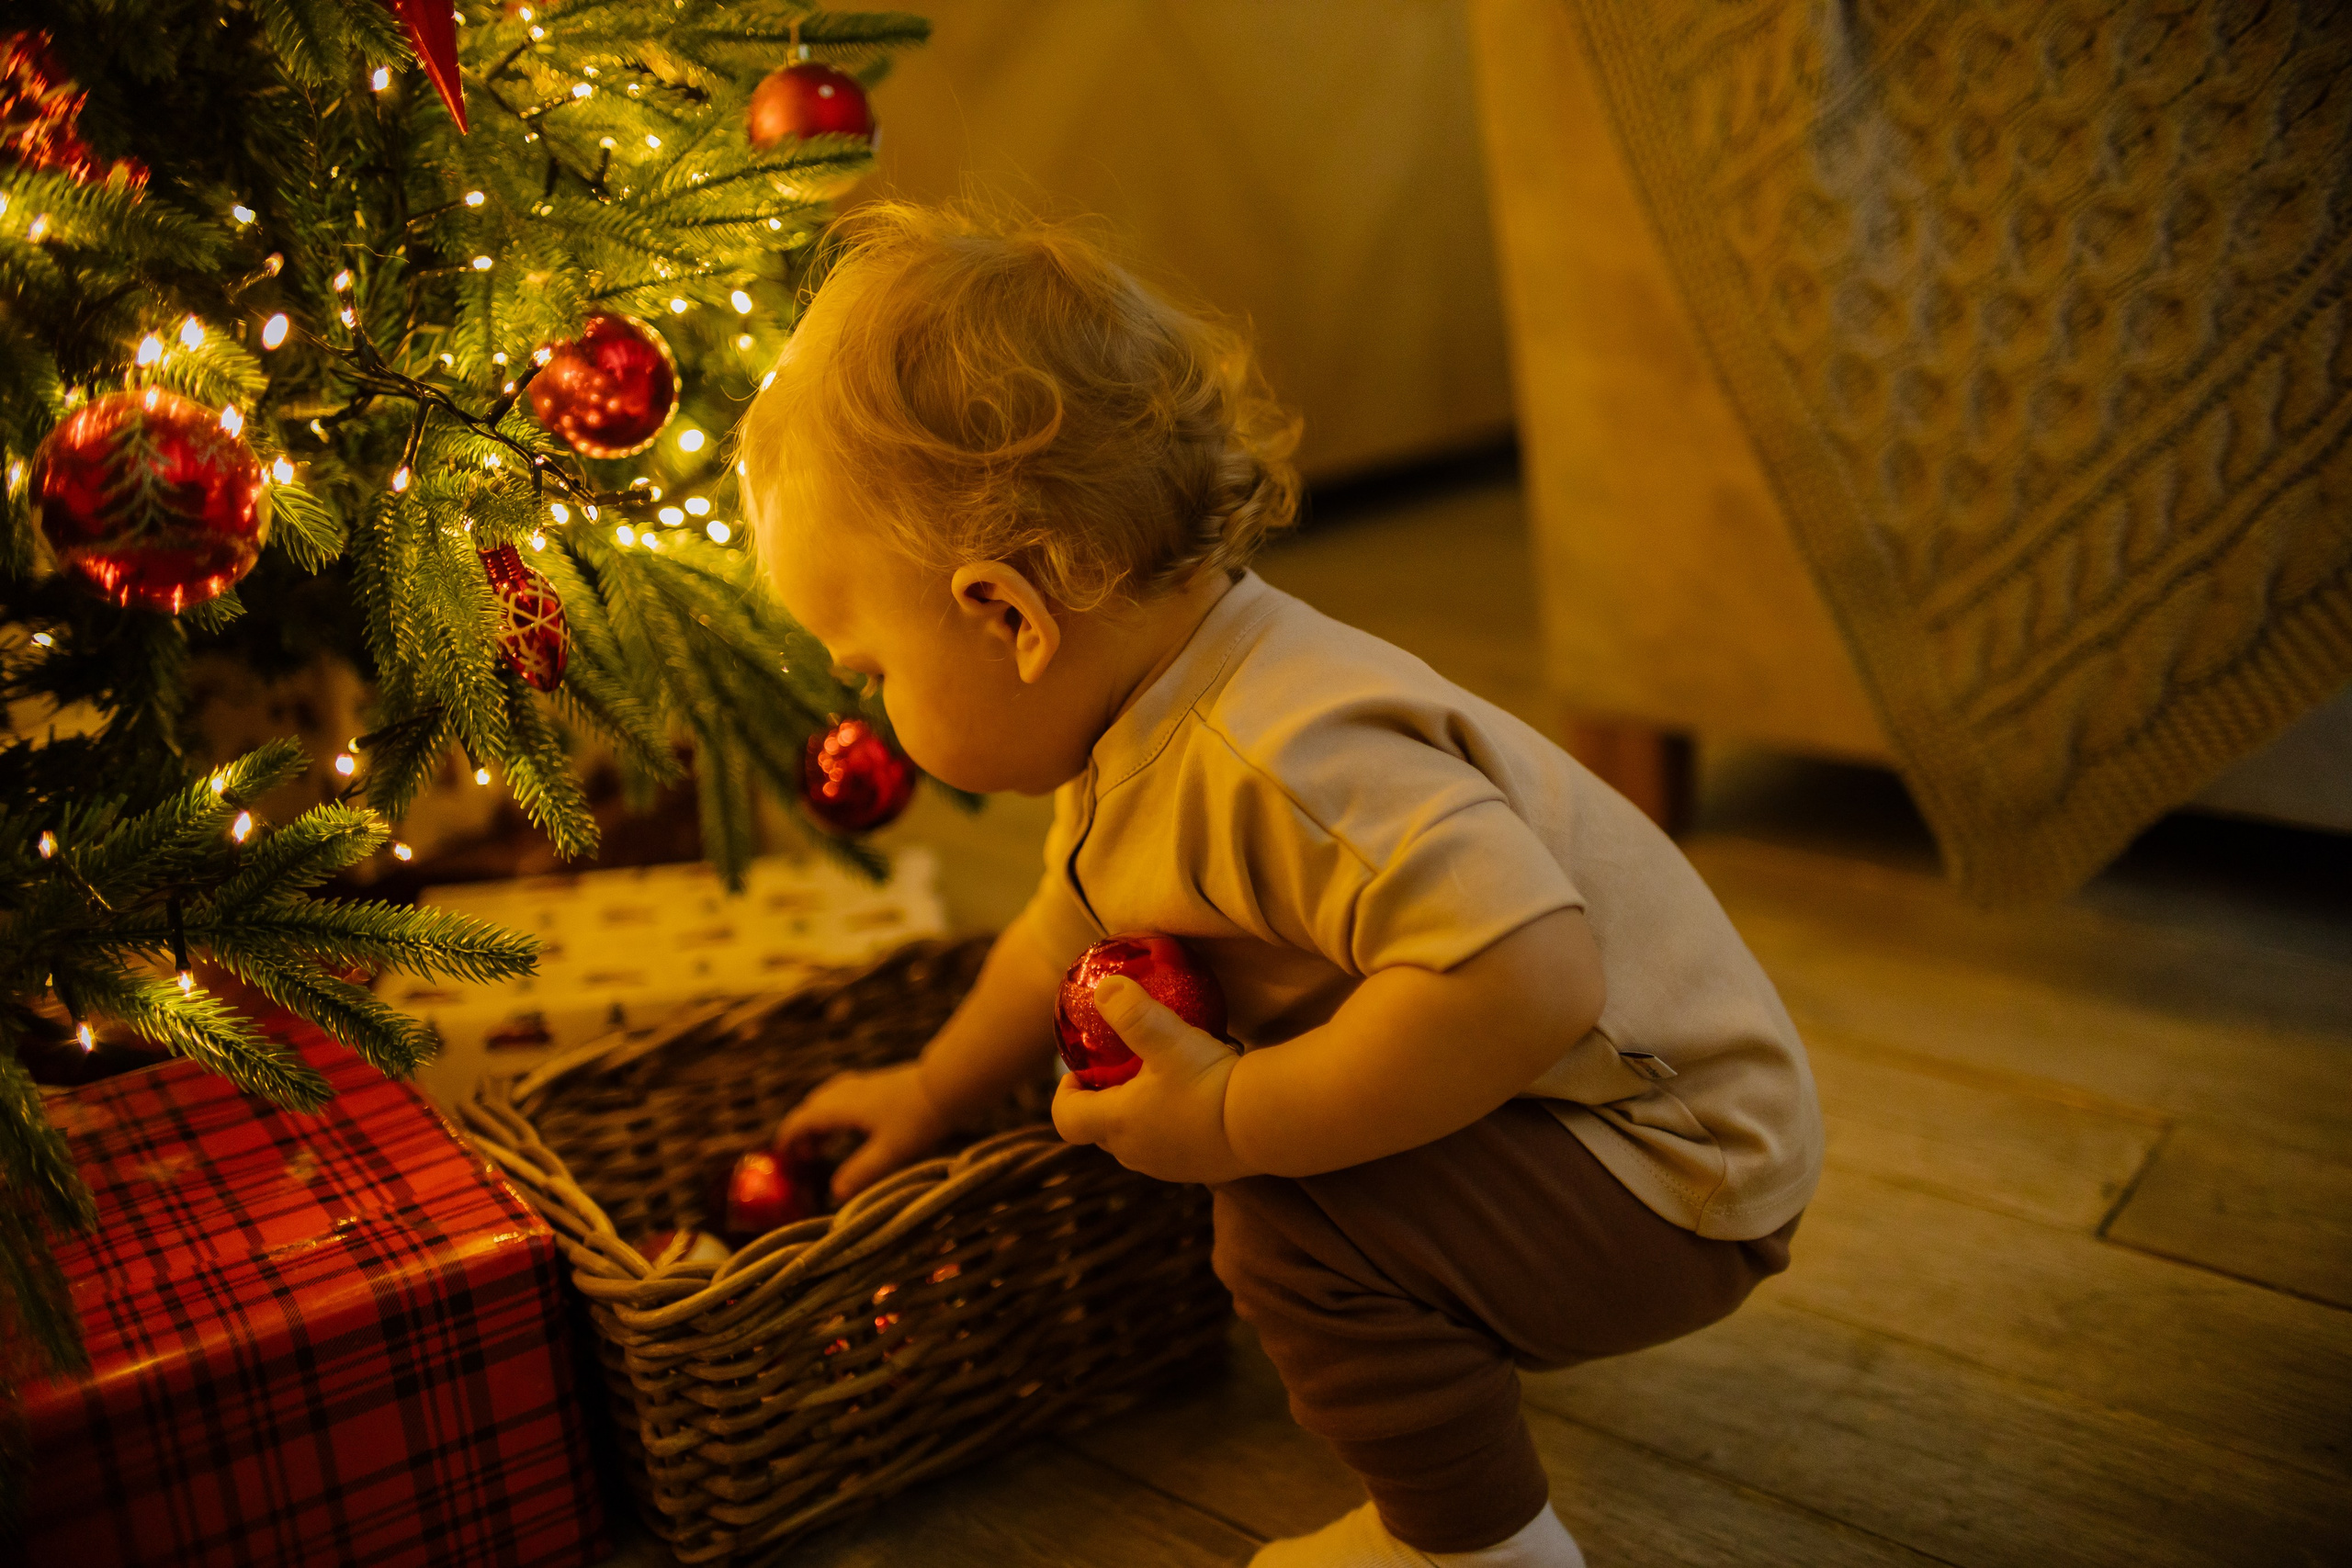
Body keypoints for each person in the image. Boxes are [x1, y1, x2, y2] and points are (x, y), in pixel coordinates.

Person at [745, 200, 1822, 1568]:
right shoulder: (1138, 714)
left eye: (871, 674)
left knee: (1285, 1230)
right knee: (1269, 1174)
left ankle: (1476, 1546)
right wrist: (931, 1088)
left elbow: (1537, 975)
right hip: (1607, 1128)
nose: (877, 715)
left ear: (1006, 616)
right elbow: (1050, 936)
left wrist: (1245, 1116)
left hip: (1675, 1169)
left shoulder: (1279, 759)